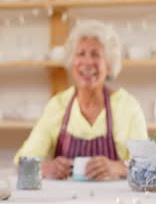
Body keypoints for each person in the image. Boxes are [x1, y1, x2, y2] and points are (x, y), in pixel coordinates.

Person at [14, 20, 148, 181]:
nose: (87, 62)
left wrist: (118, 167)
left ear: (109, 65)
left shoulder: (127, 106)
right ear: (72, 62)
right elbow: (21, 162)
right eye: (81, 54)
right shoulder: (58, 105)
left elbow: (147, 165)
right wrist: (46, 168)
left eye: (96, 54)